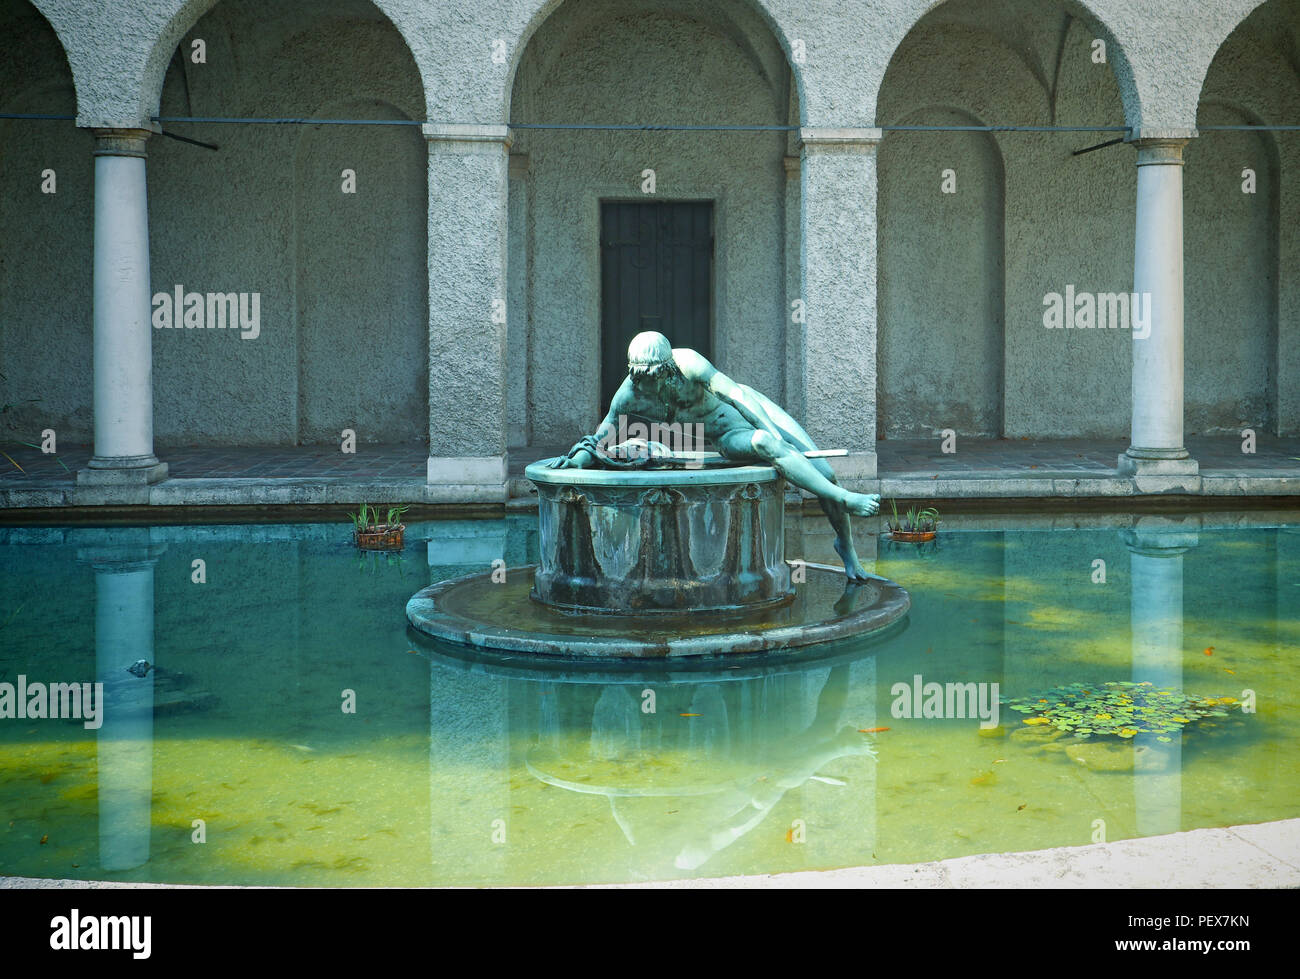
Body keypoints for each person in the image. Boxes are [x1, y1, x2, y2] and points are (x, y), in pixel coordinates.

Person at [550, 331, 880, 580]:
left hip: (755, 412)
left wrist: (779, 437)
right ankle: (844, 498)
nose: (648, 385)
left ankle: (846, 547)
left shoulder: (689, 364)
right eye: (641, 377)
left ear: (668, 367)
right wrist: (576, 461)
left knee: (822, 470)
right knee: (765, 444)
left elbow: (736, 394)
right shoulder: (630, 393)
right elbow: (600, 439)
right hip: (729, 437)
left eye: (655, 376)